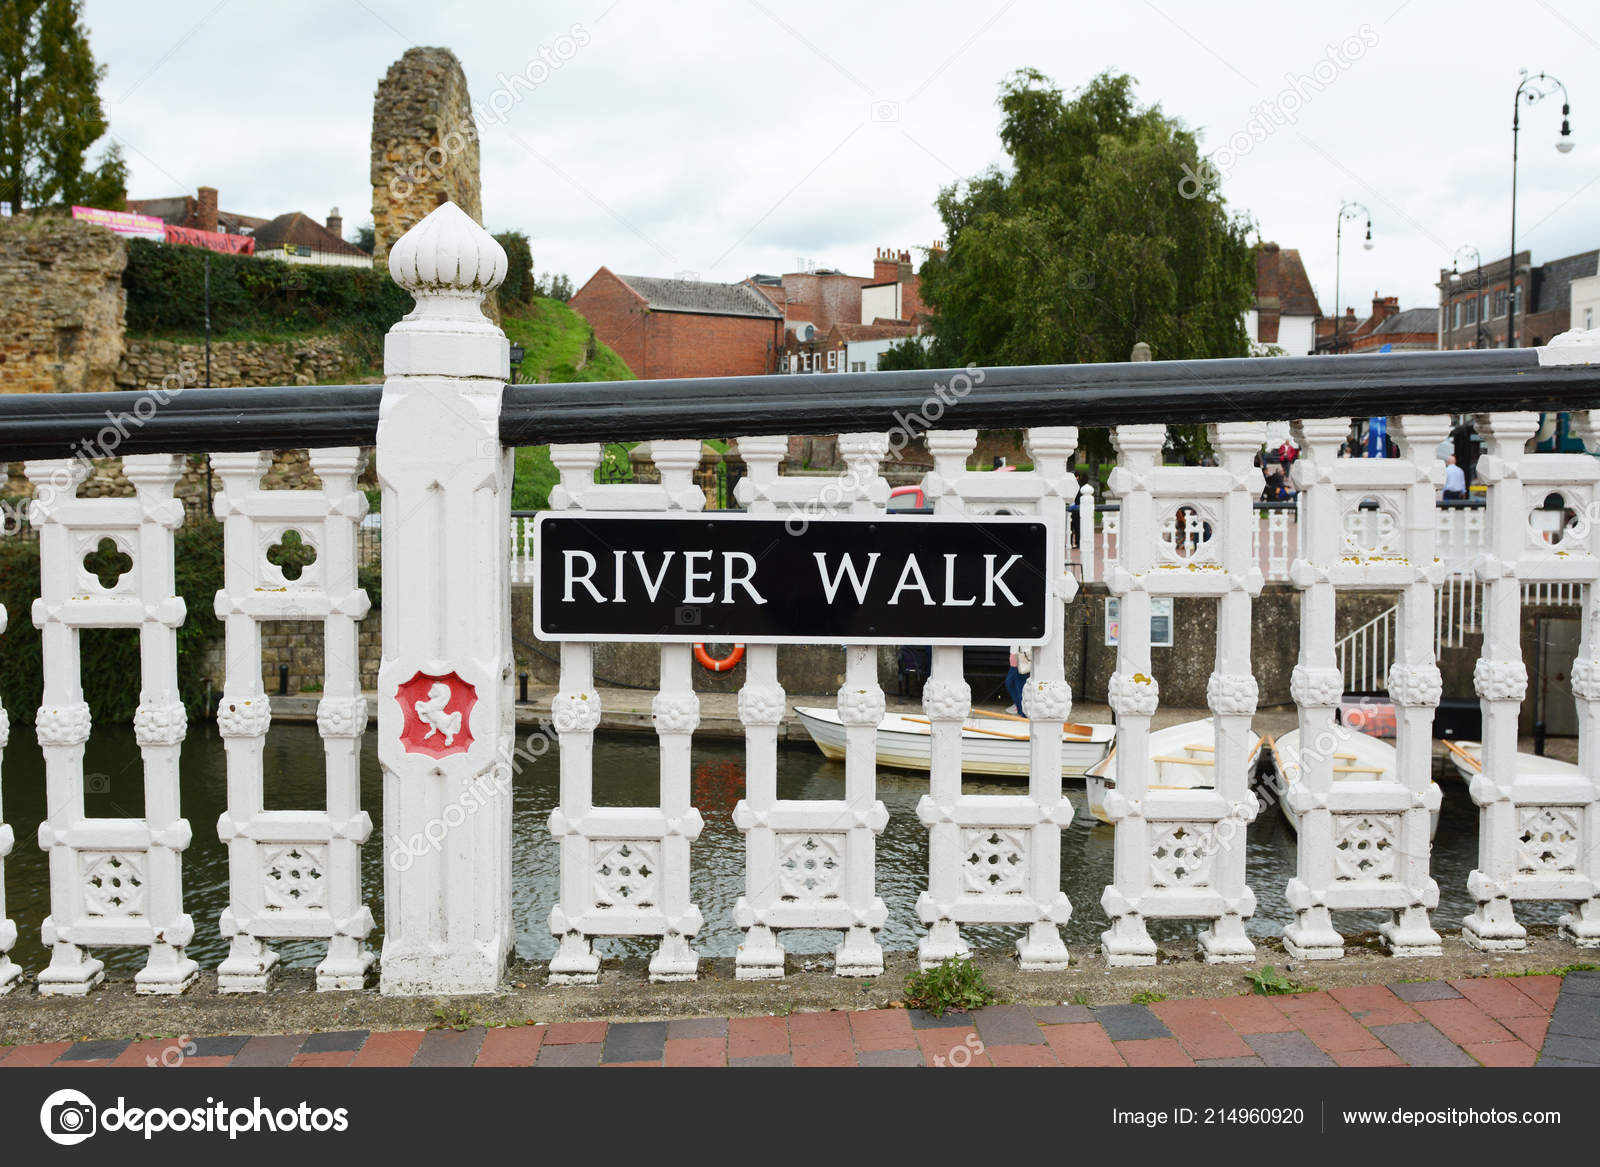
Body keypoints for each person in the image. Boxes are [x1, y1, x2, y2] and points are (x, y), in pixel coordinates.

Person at [1004, 645, 1031, 716]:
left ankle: (1022, 711)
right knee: (1011, 683)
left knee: (1019, 686)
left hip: (1020, 656)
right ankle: (1020, 707)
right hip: (1016, 655)